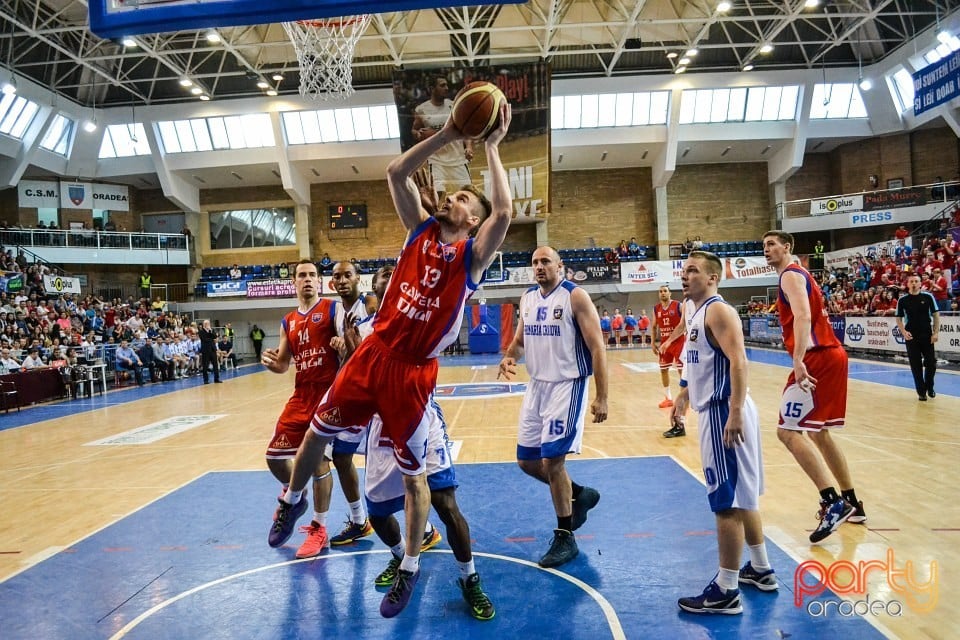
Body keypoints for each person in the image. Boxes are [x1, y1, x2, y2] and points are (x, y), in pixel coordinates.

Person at [274, 100, 512, 618]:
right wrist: (449, 132)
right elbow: (396, 171)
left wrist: (490, 148)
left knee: (430, 491)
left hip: (413, 373)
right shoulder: (419, 230)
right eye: (450, 193)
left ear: (473, 219)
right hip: (376, 353)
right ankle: (292, 505)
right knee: (320, 433)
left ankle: (419, 569)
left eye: (463, 197)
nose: (452, 197)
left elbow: (507, 213)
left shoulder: (470, 258)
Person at [350, 264, 494, 620]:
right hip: (382, 427)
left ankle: (469, 578)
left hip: (422, 419)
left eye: (395, 273)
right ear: (374, 287)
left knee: (446, 504)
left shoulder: (423, 314)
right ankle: (402, 558)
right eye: (382, 276)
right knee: (379, 514)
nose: (389, 277)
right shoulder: (360, 328)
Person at [671, 251, 776, 615]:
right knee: (744, 494)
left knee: (725, 500)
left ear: (713, 277)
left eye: (693, 271)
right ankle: (761, 569)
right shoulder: (693, 310)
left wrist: (732, 411)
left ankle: (726, 589)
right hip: (716, 407)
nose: (685, 276)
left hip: (723, 411)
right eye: (684, 270)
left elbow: (739, 361)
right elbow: (695, 356)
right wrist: (684, 393)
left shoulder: (718, 310)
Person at [498, 246, 607, 568]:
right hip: (538, 386)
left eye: (546, 261)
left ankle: (565, 536)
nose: (539, 266)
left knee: (552, 460)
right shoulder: (528, 298)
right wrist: (508, 356)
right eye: (534, 262)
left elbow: (598, 347)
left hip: (567, 384)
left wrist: (602, 396)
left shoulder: (575, 297)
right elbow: (519, 342)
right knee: (526, 460)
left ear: (561, 266)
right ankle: (580, 494)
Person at [762, 230, 866, 543]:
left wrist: (797, 359)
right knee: (819, 433)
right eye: (763, 245)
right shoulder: (800, 274)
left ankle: (831, 501)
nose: (766, 250)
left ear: (787, 247)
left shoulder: (790, 276)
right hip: (832, 354)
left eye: (771, 244)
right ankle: (853, 503)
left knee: (787, 431)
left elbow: (804, 315)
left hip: (816, 356)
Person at [261, 259, 342, 559]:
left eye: (311, 275)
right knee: (274, 456)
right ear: (293, 282)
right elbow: (284, 363)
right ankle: (296, 494)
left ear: (319, 281)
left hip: (327, 394)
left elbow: (349, 345)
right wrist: (274, 364)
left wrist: (342, 344)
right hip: (300, 394)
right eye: (301, 276)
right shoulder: (288, 321)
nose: (307, 279)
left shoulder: (333, 310)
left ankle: (319, 528)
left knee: (319, 461)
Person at [324, 260, 377, 546]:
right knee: (341, 457)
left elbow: (380, 323)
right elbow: (343, 351)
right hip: (353, 395)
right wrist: (338, 344)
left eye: (347, 275)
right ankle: (359, 520)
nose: (342, 280)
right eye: (336, 276)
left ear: (358, 279)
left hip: (377, 395)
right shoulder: (336, 313)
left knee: (392, 464)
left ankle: (426, 528)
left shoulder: (368, 302)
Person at [411, 75, 474, 195]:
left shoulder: (453, 105)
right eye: (442, 85)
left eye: (446, 85)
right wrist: (418, 134)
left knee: (467, 193)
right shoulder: (422, 109)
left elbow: (464, 130)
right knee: (437, 194)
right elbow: (414, 129)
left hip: (458, 158)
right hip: (436, 160)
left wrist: (469, 147)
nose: (446, 88)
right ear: (432, 88)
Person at [896, 274, 940, 401]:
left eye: (916, 281)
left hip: (927, 334)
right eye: (911, 281)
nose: (914, 283)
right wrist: (903, 331)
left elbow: (936, 315)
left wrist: (935, 332)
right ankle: (921, 392)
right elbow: (898, 318)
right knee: (915, 365)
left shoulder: (928, 297)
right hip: (911, 336)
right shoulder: (902, 300)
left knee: (931, 363)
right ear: (908, 284)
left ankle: (930, 386)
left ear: (920, 283)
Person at [653, 285, 685, 408]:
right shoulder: (656, 309)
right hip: (664, 343)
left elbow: (685, 322)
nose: (663, 293)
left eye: (665, 291)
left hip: (679, 342)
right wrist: (652, 342)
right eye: (660, 291)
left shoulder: (678, 305)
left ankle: (683, 400)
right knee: (663, 369)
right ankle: (668, 398)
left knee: (681, 370)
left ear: (670, 293)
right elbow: (654, 326)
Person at [198, 320, 221, 384]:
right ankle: (206, 380)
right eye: (206, 323)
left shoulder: (211, 330)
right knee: (205, 365)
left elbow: (215, 337)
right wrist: (212, 339)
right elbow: (205, 339)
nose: (208, 324)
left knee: (215, 365)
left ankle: (216, 379)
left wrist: (210, 331)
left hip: (213, 349)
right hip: (205, 350)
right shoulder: (201, 331)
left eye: (208, 323)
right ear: (204, 324)